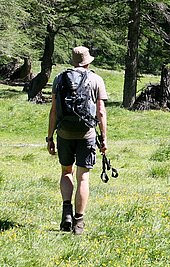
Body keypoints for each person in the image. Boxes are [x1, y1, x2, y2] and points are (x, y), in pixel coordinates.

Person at [47, 46, 108, 235]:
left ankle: (66, 212)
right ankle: (79, 222)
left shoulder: (59, 78)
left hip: (64, 133)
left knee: (66, 171)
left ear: (73, 61)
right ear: (88, 61)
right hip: (87, 134)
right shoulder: (96, 79)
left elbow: (54, 110)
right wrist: (103, 138)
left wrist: (50, 137)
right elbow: (100, 112)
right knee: (83, 176)